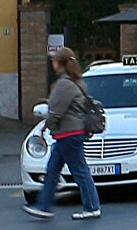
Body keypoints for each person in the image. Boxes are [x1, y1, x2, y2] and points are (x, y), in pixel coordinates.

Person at [23, 47, 102, 221]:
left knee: (79, 171)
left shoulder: (64, 84)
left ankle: (92, 207)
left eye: (53, 61)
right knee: (53, 170)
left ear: (59, 63)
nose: (52, 63)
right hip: (70, 133)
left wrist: (45, 127)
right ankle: (43, 207)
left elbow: (56, 111)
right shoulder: (77, 81)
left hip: (69, 134)